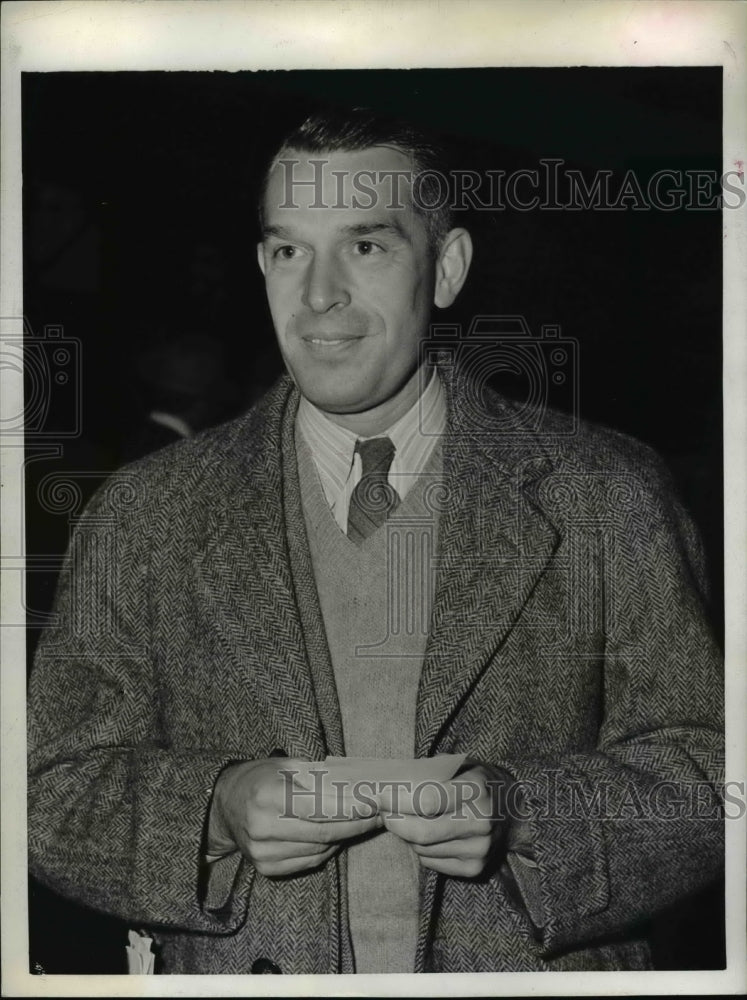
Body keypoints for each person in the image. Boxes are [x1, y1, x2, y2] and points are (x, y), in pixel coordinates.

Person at [27, 107, 724, 975]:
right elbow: (48, 788)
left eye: (365, 246)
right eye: (289, 249)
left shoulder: (604, 494)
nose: (318, 295)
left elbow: (707, 775)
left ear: (446, 267)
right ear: (261, 265)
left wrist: (520, 813)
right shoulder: (145, 511)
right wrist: (216, 805)